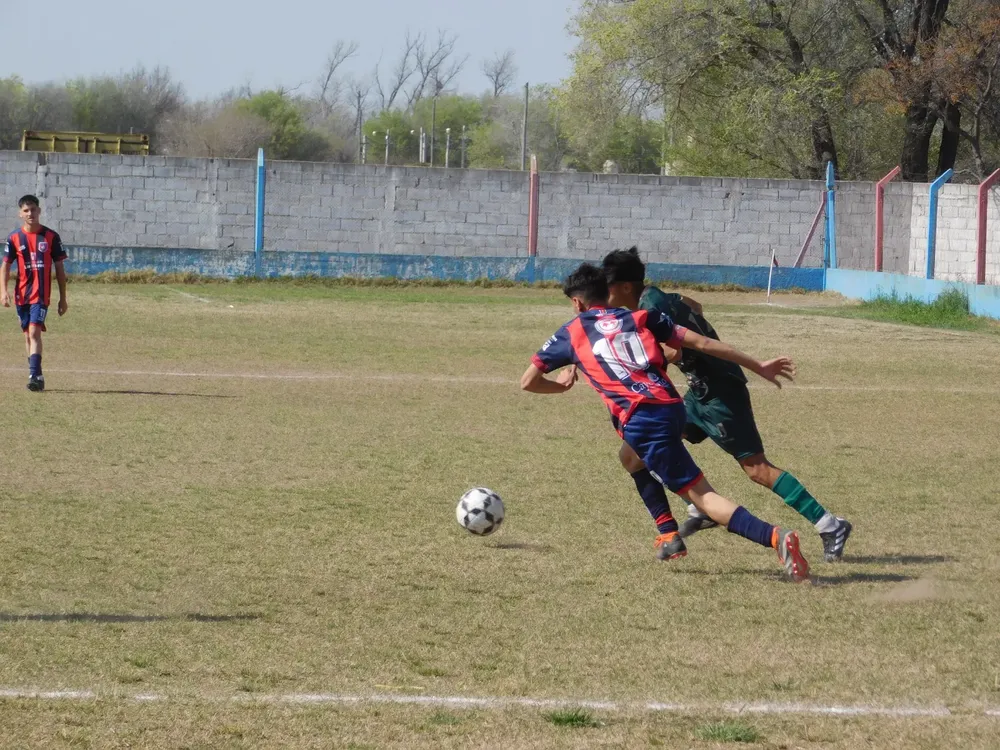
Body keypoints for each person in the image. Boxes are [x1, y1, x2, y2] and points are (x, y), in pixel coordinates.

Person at [520, 262, 811, 583]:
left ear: (577, 303)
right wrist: (758, 365)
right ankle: (668, 534)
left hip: (643, 419)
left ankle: (775, 537)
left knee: (703, 498)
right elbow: (701, 342)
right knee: (629, 457)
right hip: (671, 406)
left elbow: (528, 381)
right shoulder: (639, 316)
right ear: (607, 294)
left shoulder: (571, 331)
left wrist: (561, 385)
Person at [602, 247, 852, 562]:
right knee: (635, 452)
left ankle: (830, 524)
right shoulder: (662, 297)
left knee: (757, 470)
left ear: (625, 286)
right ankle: (698, 508)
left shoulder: (651, 305)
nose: (602, 290)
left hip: (720, 394)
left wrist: (634, 365)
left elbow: (674, 351)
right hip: (699, 393)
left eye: (607, 284)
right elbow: (695, 306)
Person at [1, 195, 68, 391]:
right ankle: (36, 373)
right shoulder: (14, 238)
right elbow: (5, 266)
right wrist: (3, 292)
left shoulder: (51, 237)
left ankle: (34, 375)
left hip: (41, 295)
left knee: (34, 332)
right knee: (27, 336)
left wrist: (63, 298)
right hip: (22, 295)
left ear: (39, 211)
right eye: (26, 210)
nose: (30, 213)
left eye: (33, 209)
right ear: (20, 213)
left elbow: (60, 270)